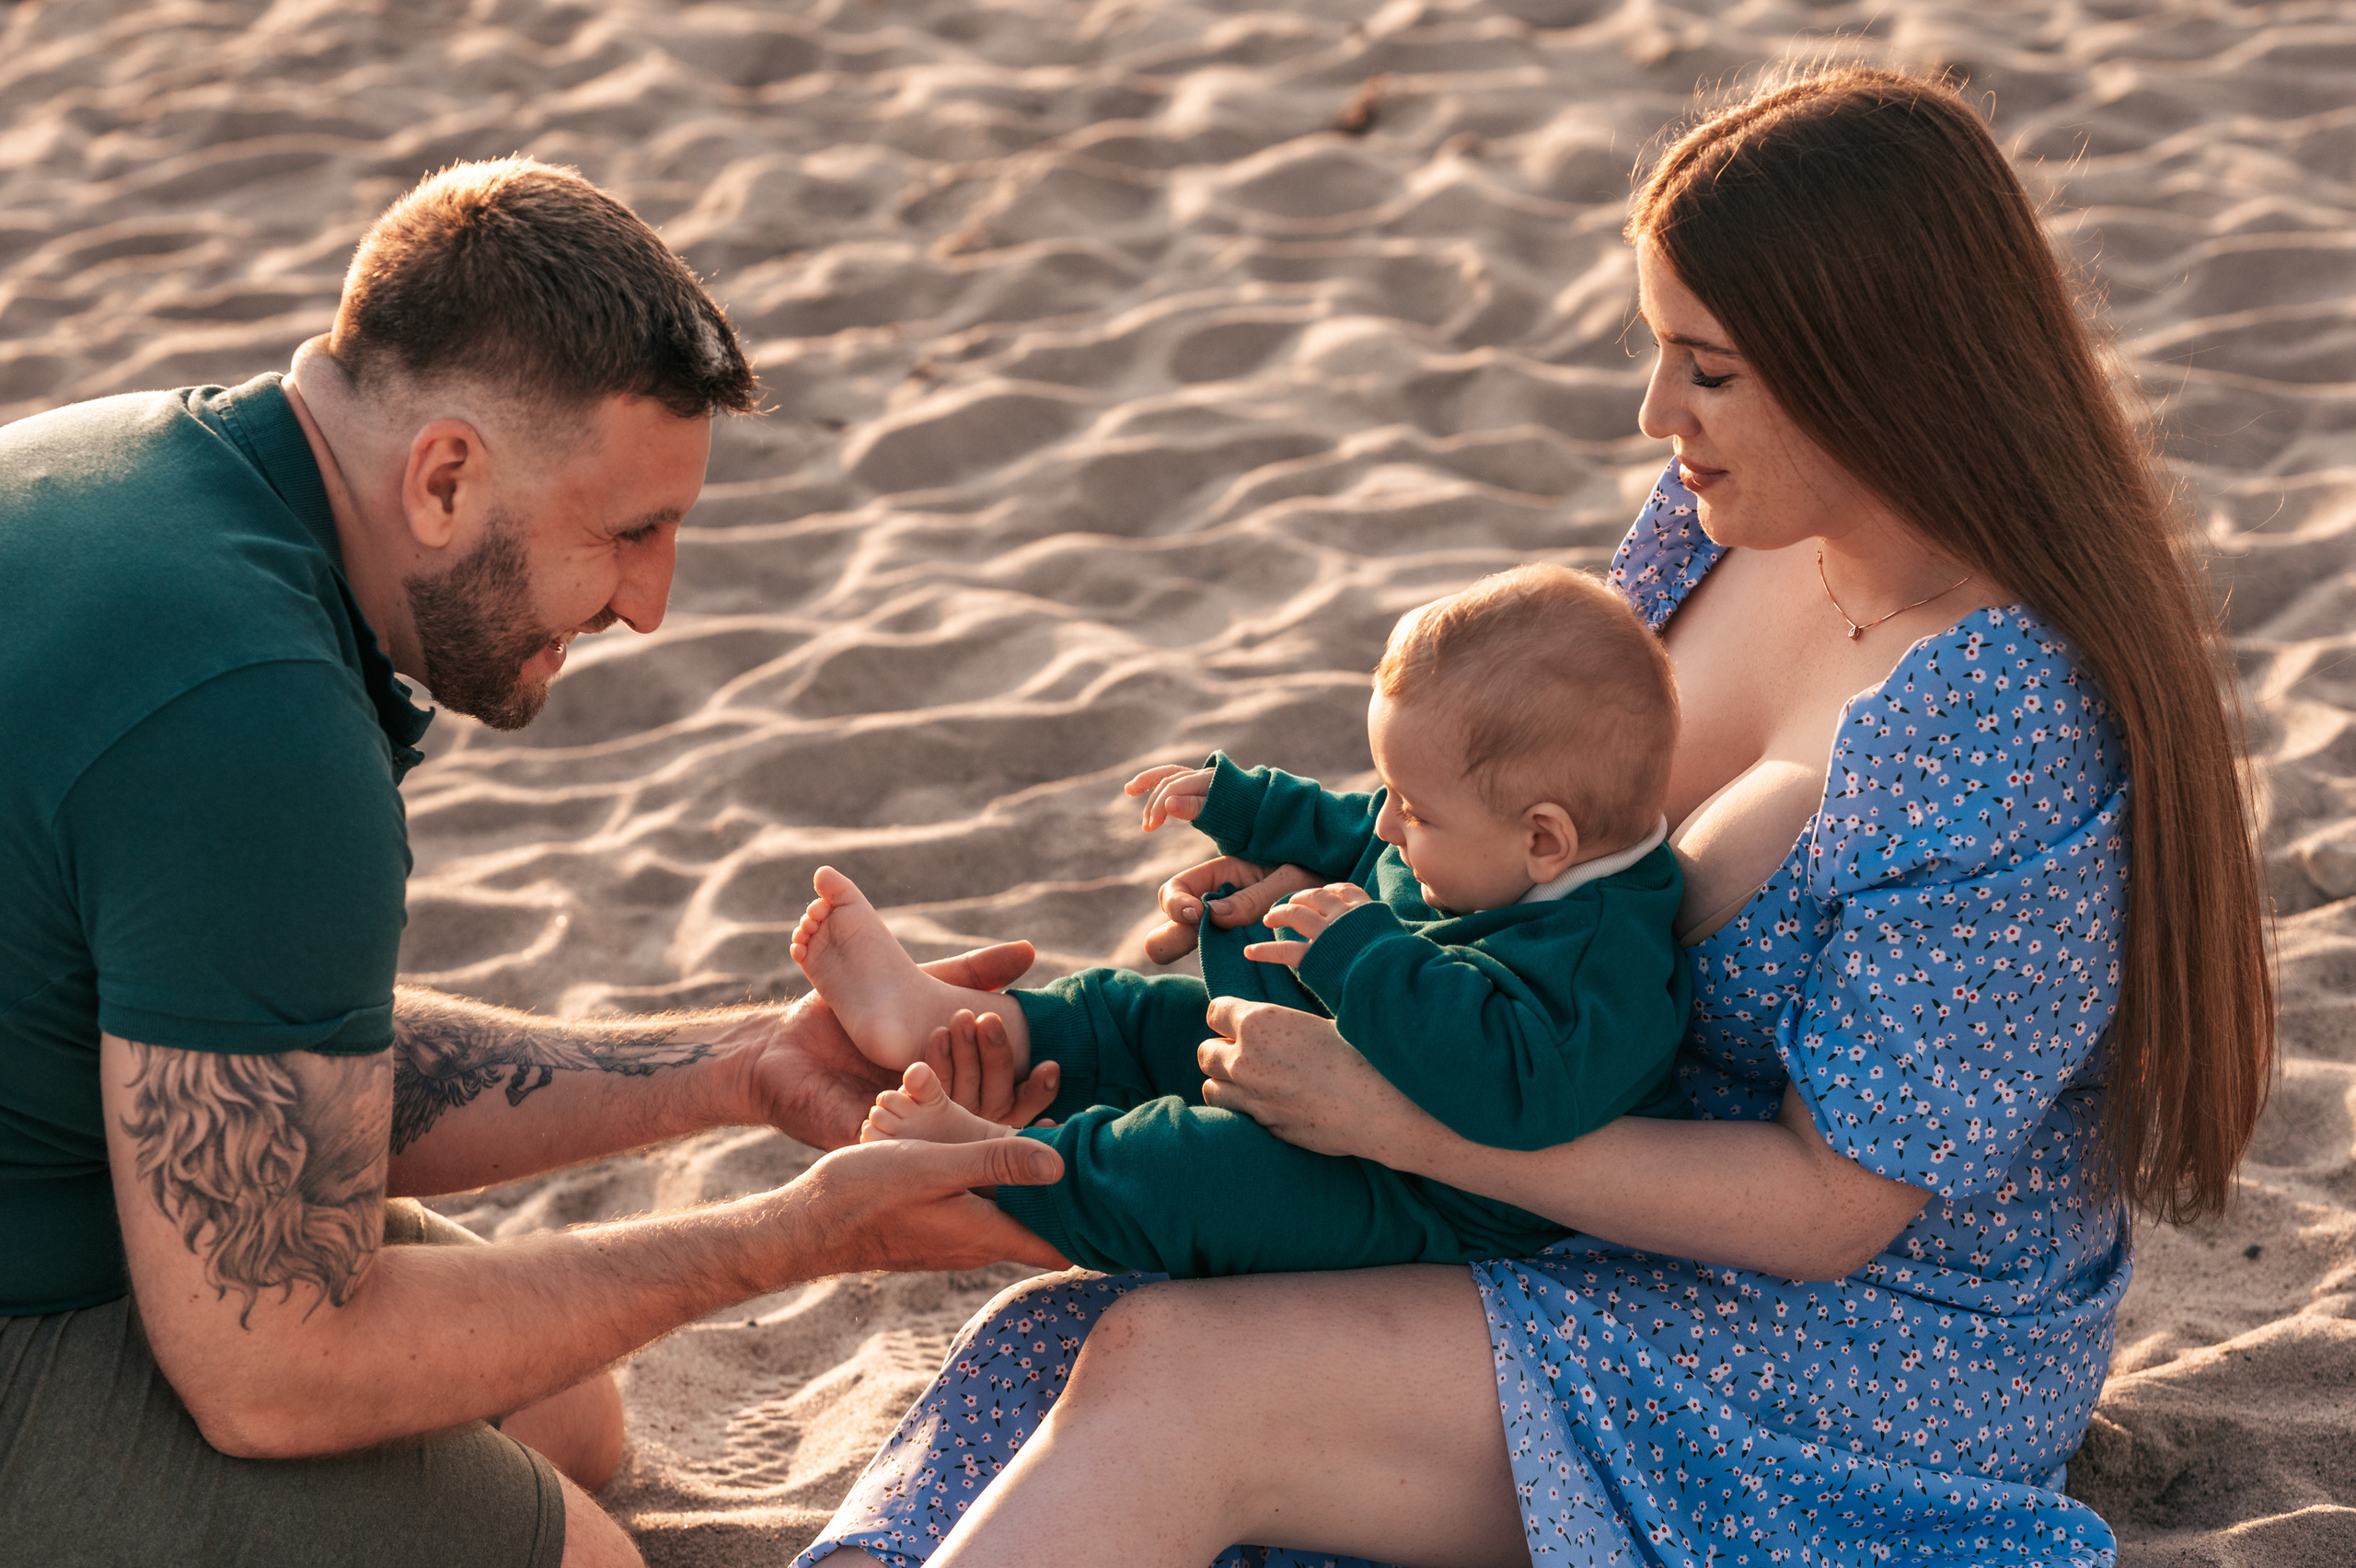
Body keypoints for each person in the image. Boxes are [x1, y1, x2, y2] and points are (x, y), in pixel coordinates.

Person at [794, 63, 2276, 1568]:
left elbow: (1837, 1205)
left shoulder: (2001, 723)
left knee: (1186, 1377)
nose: (1655, 414)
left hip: (1862, 1345)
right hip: (1568, 1167)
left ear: (1868, 368)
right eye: (1658, 350)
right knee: (1074, 1331)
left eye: (1707, 368)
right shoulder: (1717, 532)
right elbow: (1537, 807)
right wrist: (1345, 881)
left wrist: (1405, 1119)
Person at [0, 158, 1070, 1568]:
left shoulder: (143, 468)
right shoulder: (253, 722)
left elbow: (258, 1052)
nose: (650, 600)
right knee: (579, 1556)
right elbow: (273, 1371)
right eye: (628, 533)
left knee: (564, 1412)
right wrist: (800, 1238)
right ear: (444, 475)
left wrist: (748, 1065)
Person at [796, 564, 1690, 1277]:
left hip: (1417, 1190)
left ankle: (1002, 1162)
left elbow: (1512, 1087)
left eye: (1414, 811)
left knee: (1196, 1172)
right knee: (1136, 1015)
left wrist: (1362, 954)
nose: (1387, 824)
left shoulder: (1601, 960)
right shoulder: (1496, 843)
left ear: (1544, 838)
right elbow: (1354, 829)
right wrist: (1251, 807)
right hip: (1335, 1049)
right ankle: (938, 1016)